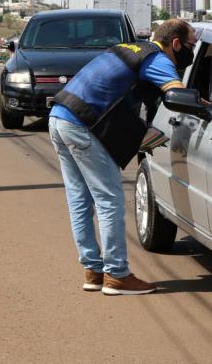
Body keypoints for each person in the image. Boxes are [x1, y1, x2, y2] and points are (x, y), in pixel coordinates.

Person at [48, 18, 197, 296]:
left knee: (79, 198)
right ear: (175, 43)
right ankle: (116, 274)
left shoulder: (127, 48)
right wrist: (207, 107)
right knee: (109, 199)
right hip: (82, 125)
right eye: (192, 44)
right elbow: (178, 95)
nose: (192, 50)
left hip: (59, 116)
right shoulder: (157, 59)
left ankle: (93, 271)